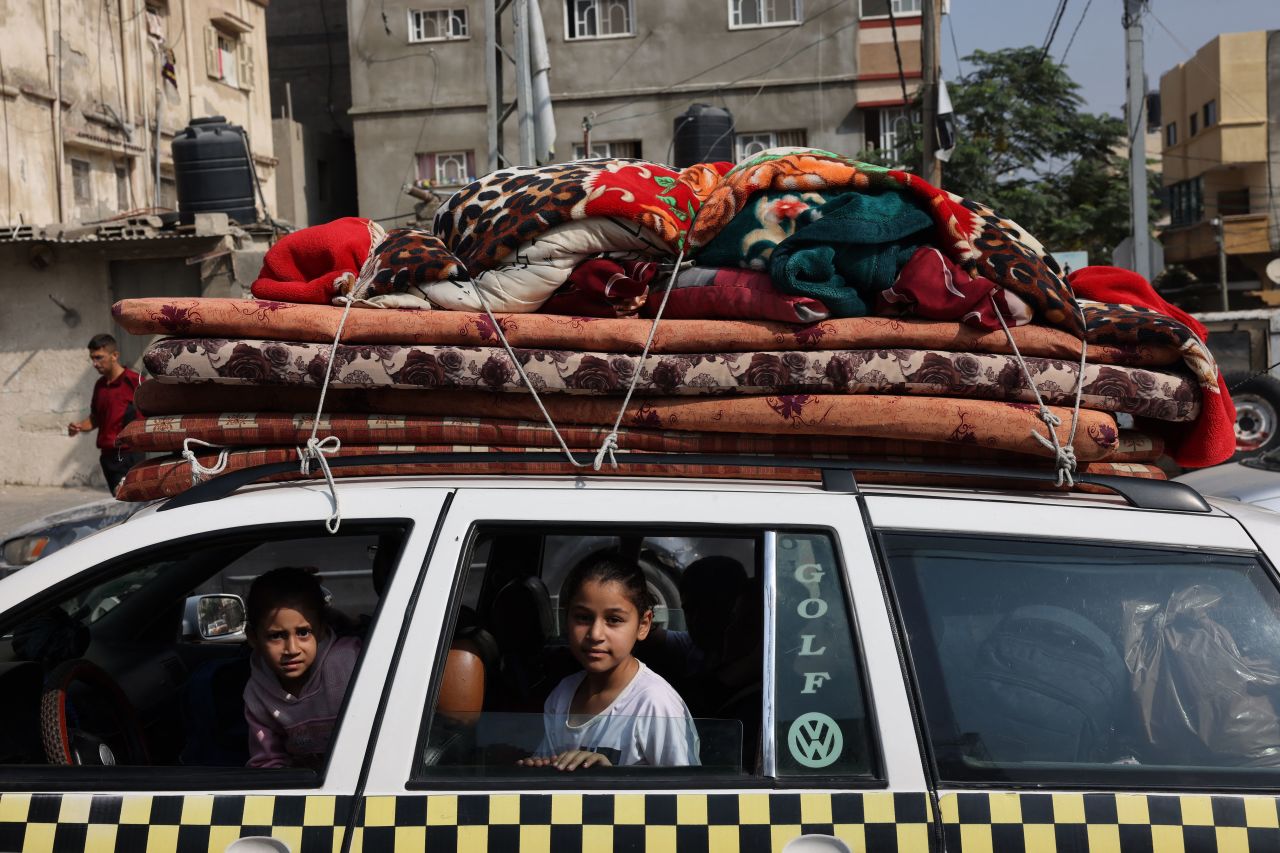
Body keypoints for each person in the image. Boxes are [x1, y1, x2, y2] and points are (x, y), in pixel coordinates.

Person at [518, 551, 699, 771]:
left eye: (614, 620)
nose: (595, 634)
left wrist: (612, 778)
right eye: (583, 618)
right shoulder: (562, 695)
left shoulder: (654, 703)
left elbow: (685, 795)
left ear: (643, 625)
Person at [242, 567, 361, 769]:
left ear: (322, 629)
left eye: (304, 632)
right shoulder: (257, 694)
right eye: (276, 636)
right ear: (253, 638)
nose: (292, 649)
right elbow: (268, 762)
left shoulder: (349, 662)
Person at [66, 333, 143, 493]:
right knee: (120, 500)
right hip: (107, 458)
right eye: (92, 358)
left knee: (133, 501)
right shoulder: (100, 386)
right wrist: (79, 426)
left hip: (130, 455)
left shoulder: (135, 381)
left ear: (114, 355)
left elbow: (151, 414)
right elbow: (96, 419)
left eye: (99, 357)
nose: (94, 363)